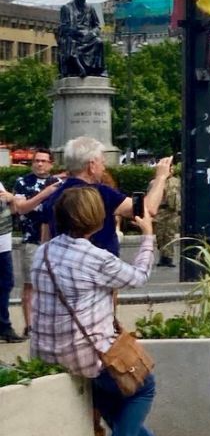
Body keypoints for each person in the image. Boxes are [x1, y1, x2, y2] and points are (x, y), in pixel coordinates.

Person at [30, 186, 185, 436]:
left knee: (112, 401)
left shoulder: (43, 252)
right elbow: (138, 277)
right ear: (97, 220)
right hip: (85, 352)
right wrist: (148, 236)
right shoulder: (95, 258)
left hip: (47, 349)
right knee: (143, 387)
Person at [37, 138, 172, 257]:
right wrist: (160, 177)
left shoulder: (54, 195)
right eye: (102, 162)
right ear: (92, 165)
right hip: (100, 268)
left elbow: (45, 240)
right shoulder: (100, 192)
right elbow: (147, 209)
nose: (104, 167)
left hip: (63, 267)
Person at [5, 147, 61, 337]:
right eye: (36, 160)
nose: (39, 164)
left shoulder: (59, 183)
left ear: (51, 164)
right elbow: (21, 208)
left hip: (57, 242)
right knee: (30, 284)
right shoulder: (23, 182)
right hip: (32, 239)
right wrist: (44, 194)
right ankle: (30, 326)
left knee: (55, 285)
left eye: (43, 161)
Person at [153, 161, 182, 267]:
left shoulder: (177, 181)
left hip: (172, 211)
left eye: (172, 169)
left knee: (170, 234)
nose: (171, 171)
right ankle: (162, 255)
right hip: (161, 211)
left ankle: (168, 257)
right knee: (160, 235)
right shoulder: (155, 182)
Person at [0, 185, 16, 341]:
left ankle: (4, 326)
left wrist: (11, 198)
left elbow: (12, 208)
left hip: (4, 243)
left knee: (6, 284)